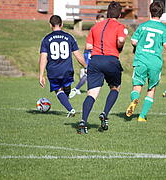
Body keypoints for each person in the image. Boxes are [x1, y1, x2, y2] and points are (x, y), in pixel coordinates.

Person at [125, 1, 166, 122]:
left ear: (150, 11)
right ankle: (141, 116)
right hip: (155, 62)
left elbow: (134, 41)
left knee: (137, 86)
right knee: (151, 89)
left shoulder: (143, 26)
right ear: (162, 13)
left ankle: (134, 100)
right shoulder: (164, 29)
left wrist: (137, 48)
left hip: (141, 60)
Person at [77, 1, 128, 134]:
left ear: (107, 13)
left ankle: (83, 122)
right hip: (111, 60)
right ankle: (105, 113)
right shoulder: (120, 26)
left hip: (95, 60)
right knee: (115, 87)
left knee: (92, 94)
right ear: (120, 14)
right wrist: (119, 47)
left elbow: (88, 47)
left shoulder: (96, 26)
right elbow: (121, 41)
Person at [39, 15, 87, 117]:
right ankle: (67, 101)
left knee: (58, 90)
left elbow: (43, 57)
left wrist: (41, 75)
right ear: (62, 24)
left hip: (53, 71)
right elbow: (77, 55)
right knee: (66, 87)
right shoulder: (69, 37)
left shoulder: (46, 39)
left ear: (50, 25)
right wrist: (86, 66)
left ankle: (70, 109)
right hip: (67, 69)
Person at [69, 14, 105, 99]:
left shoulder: (102, 30)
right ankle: (76, 89)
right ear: (96, 21)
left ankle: (82, 88)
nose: (102, 23)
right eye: (100, 21)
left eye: (103, 21)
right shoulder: (94, 29)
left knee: (93, 73)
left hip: (96, 53)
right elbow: (88, 45)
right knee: (89, 72)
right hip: (90, 53)